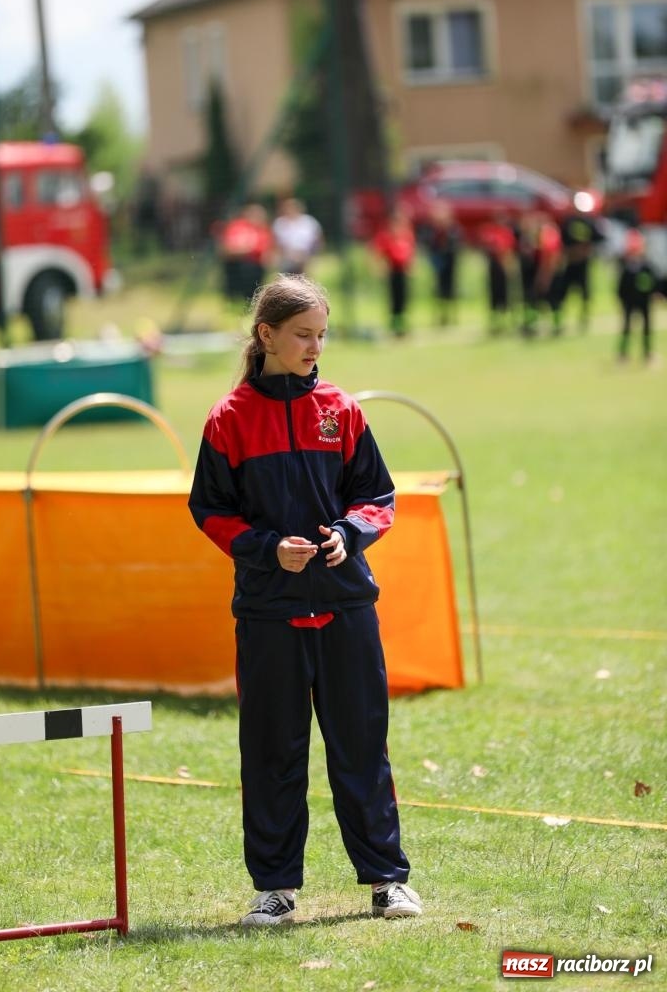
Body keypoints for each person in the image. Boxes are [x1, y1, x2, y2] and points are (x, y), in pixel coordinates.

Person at [188, 274, 421, 927]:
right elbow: (209, 510)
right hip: (268, 615)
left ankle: (386, 880)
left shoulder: (342, 411)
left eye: (321, 334)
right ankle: (274, 889)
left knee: (361, 745)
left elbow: (378, 498)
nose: (316, 346)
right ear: (267, 336)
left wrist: (349, 535)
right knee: (271, 750)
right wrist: (266, 549)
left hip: (346, 608)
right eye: (303, 335)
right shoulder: (228, 419)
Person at [554, 202, 606, 331]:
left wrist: (586, 249)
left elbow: (599, 238)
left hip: (583, 263)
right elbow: (561, 240)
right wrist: (570, 251)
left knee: (585, 292)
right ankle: (559, 321)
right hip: (571, 262)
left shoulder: (589, 221)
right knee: (562, 292)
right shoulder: (568, 222)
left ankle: (583, 320)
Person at [216, 203, 274, 305]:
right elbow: (227, 248)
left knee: (252, 295)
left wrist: (244, 250)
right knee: (233, 295)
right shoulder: (237, 226)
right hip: (235, 266)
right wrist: (244, 250)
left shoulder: (262, 230)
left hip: (254, 268)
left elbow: (262, 251)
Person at [372, 206, 416, 336]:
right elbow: (378, 253)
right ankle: (395, 327)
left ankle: (403, 326)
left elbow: (411, 253)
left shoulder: (407, 235)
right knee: (394, 300)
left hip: (403, 272)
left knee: (404, 300)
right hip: (393, 271)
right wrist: (380, 267)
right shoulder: (386, 236)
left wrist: (412, 266)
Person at [617, 228, 658, 362]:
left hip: (644, 301)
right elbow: (621, 288)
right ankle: (623, 354)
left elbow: (654, 284)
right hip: (629, 302)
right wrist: (621, 300)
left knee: (646, 327)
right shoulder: (627, 268)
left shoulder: (647, 266)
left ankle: (647, 353)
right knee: (627, 327)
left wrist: (655, 294)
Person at [418, 201, 461, 326]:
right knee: (437, 289)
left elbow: (456, 246)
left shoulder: (453, 229)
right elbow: (426, 242)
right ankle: (439, 316)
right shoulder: (430, 229)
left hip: (450, 262)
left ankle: (451, 316)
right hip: (437, 262)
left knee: (451, 289)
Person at [478, 214, 517, 335]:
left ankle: (505, 321)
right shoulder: (491, 233)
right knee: (494, 294)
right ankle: (495, 321)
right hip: (494, 267)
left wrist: (508, 267)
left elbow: (508, 252)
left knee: (505, 295)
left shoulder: (506, 233)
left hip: (502, 267)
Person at [272, 197, 323, 275]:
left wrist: (309, 255)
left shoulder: (309, 222)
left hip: (306, 257)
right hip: (286, 257)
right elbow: (275, 244)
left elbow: (318, 240)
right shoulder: (279, 223)